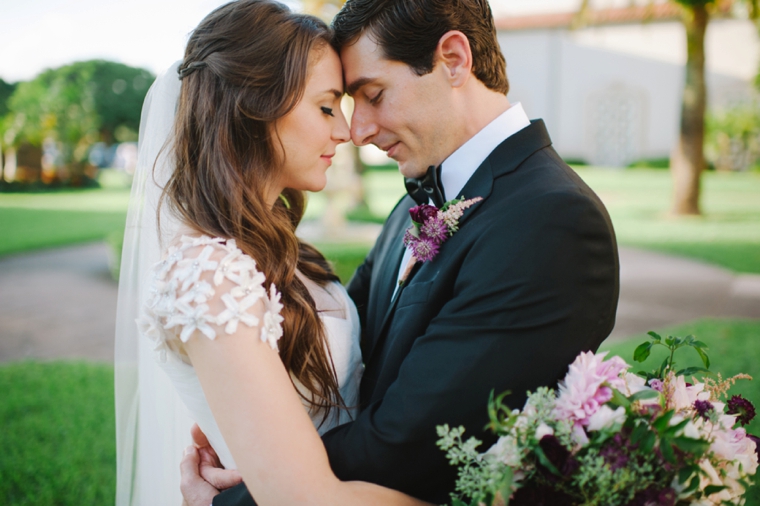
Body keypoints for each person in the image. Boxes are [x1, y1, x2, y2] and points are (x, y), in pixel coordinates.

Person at [190, 0, 620, 505]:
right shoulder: (413, 201)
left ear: (454, 59)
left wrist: (240, 494)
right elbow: (346, 356)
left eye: (373, 95)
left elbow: (408, 445)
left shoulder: (552, 222)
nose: (359, 130)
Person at [114, 1, 433, 505]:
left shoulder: (278, 250)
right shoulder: (209, 276)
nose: (345, 131)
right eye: (327, 106)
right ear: (254, 106)